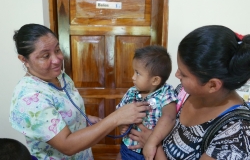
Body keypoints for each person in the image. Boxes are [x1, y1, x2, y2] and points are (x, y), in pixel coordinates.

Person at [9, 23, 150, 160]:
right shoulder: (29, 99)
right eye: (45, 56)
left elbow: (61, 109)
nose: (57, 60)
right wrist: (115, 118)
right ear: (24, 60)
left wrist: (83, 118)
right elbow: (67, 146)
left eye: (57, 50)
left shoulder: (58, 76)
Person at [128, 25, 250, 160]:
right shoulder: (183, 93)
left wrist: (154, 146)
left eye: (184, 74)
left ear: (212, 85)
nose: (176, 74)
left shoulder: (236, 136)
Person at [116, 45, 178, 160]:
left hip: (151, 152)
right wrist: (122, 125)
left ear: (155, 80)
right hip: (129, 148)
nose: (133, 77)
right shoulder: (131, 92)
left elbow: (169, 117)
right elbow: (119, 113)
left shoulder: (166, 92)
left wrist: (151, 142)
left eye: (138, 73)